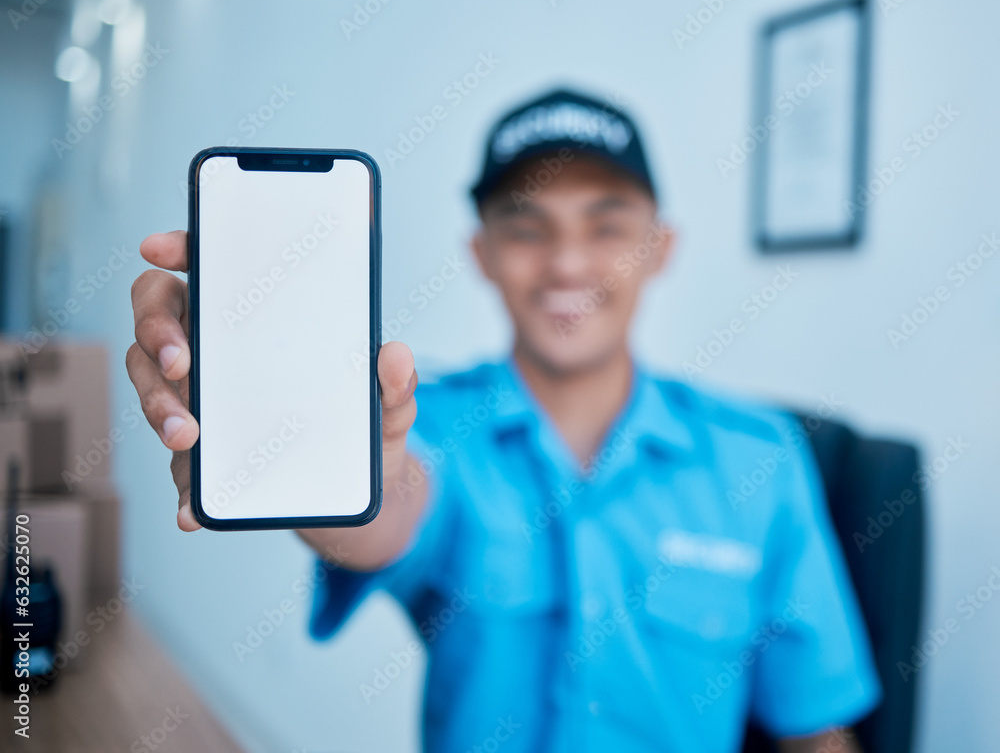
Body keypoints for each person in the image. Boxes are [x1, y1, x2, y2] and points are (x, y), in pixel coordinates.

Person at [126, 88, 881, 752]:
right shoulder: (426, 424)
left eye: (607, 225)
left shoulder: (759, 459)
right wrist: (304, 435)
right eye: (527, 227)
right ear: (482, 252)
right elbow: (387, 508)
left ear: (661, 248)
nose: (565, 263)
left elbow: (815, 727)